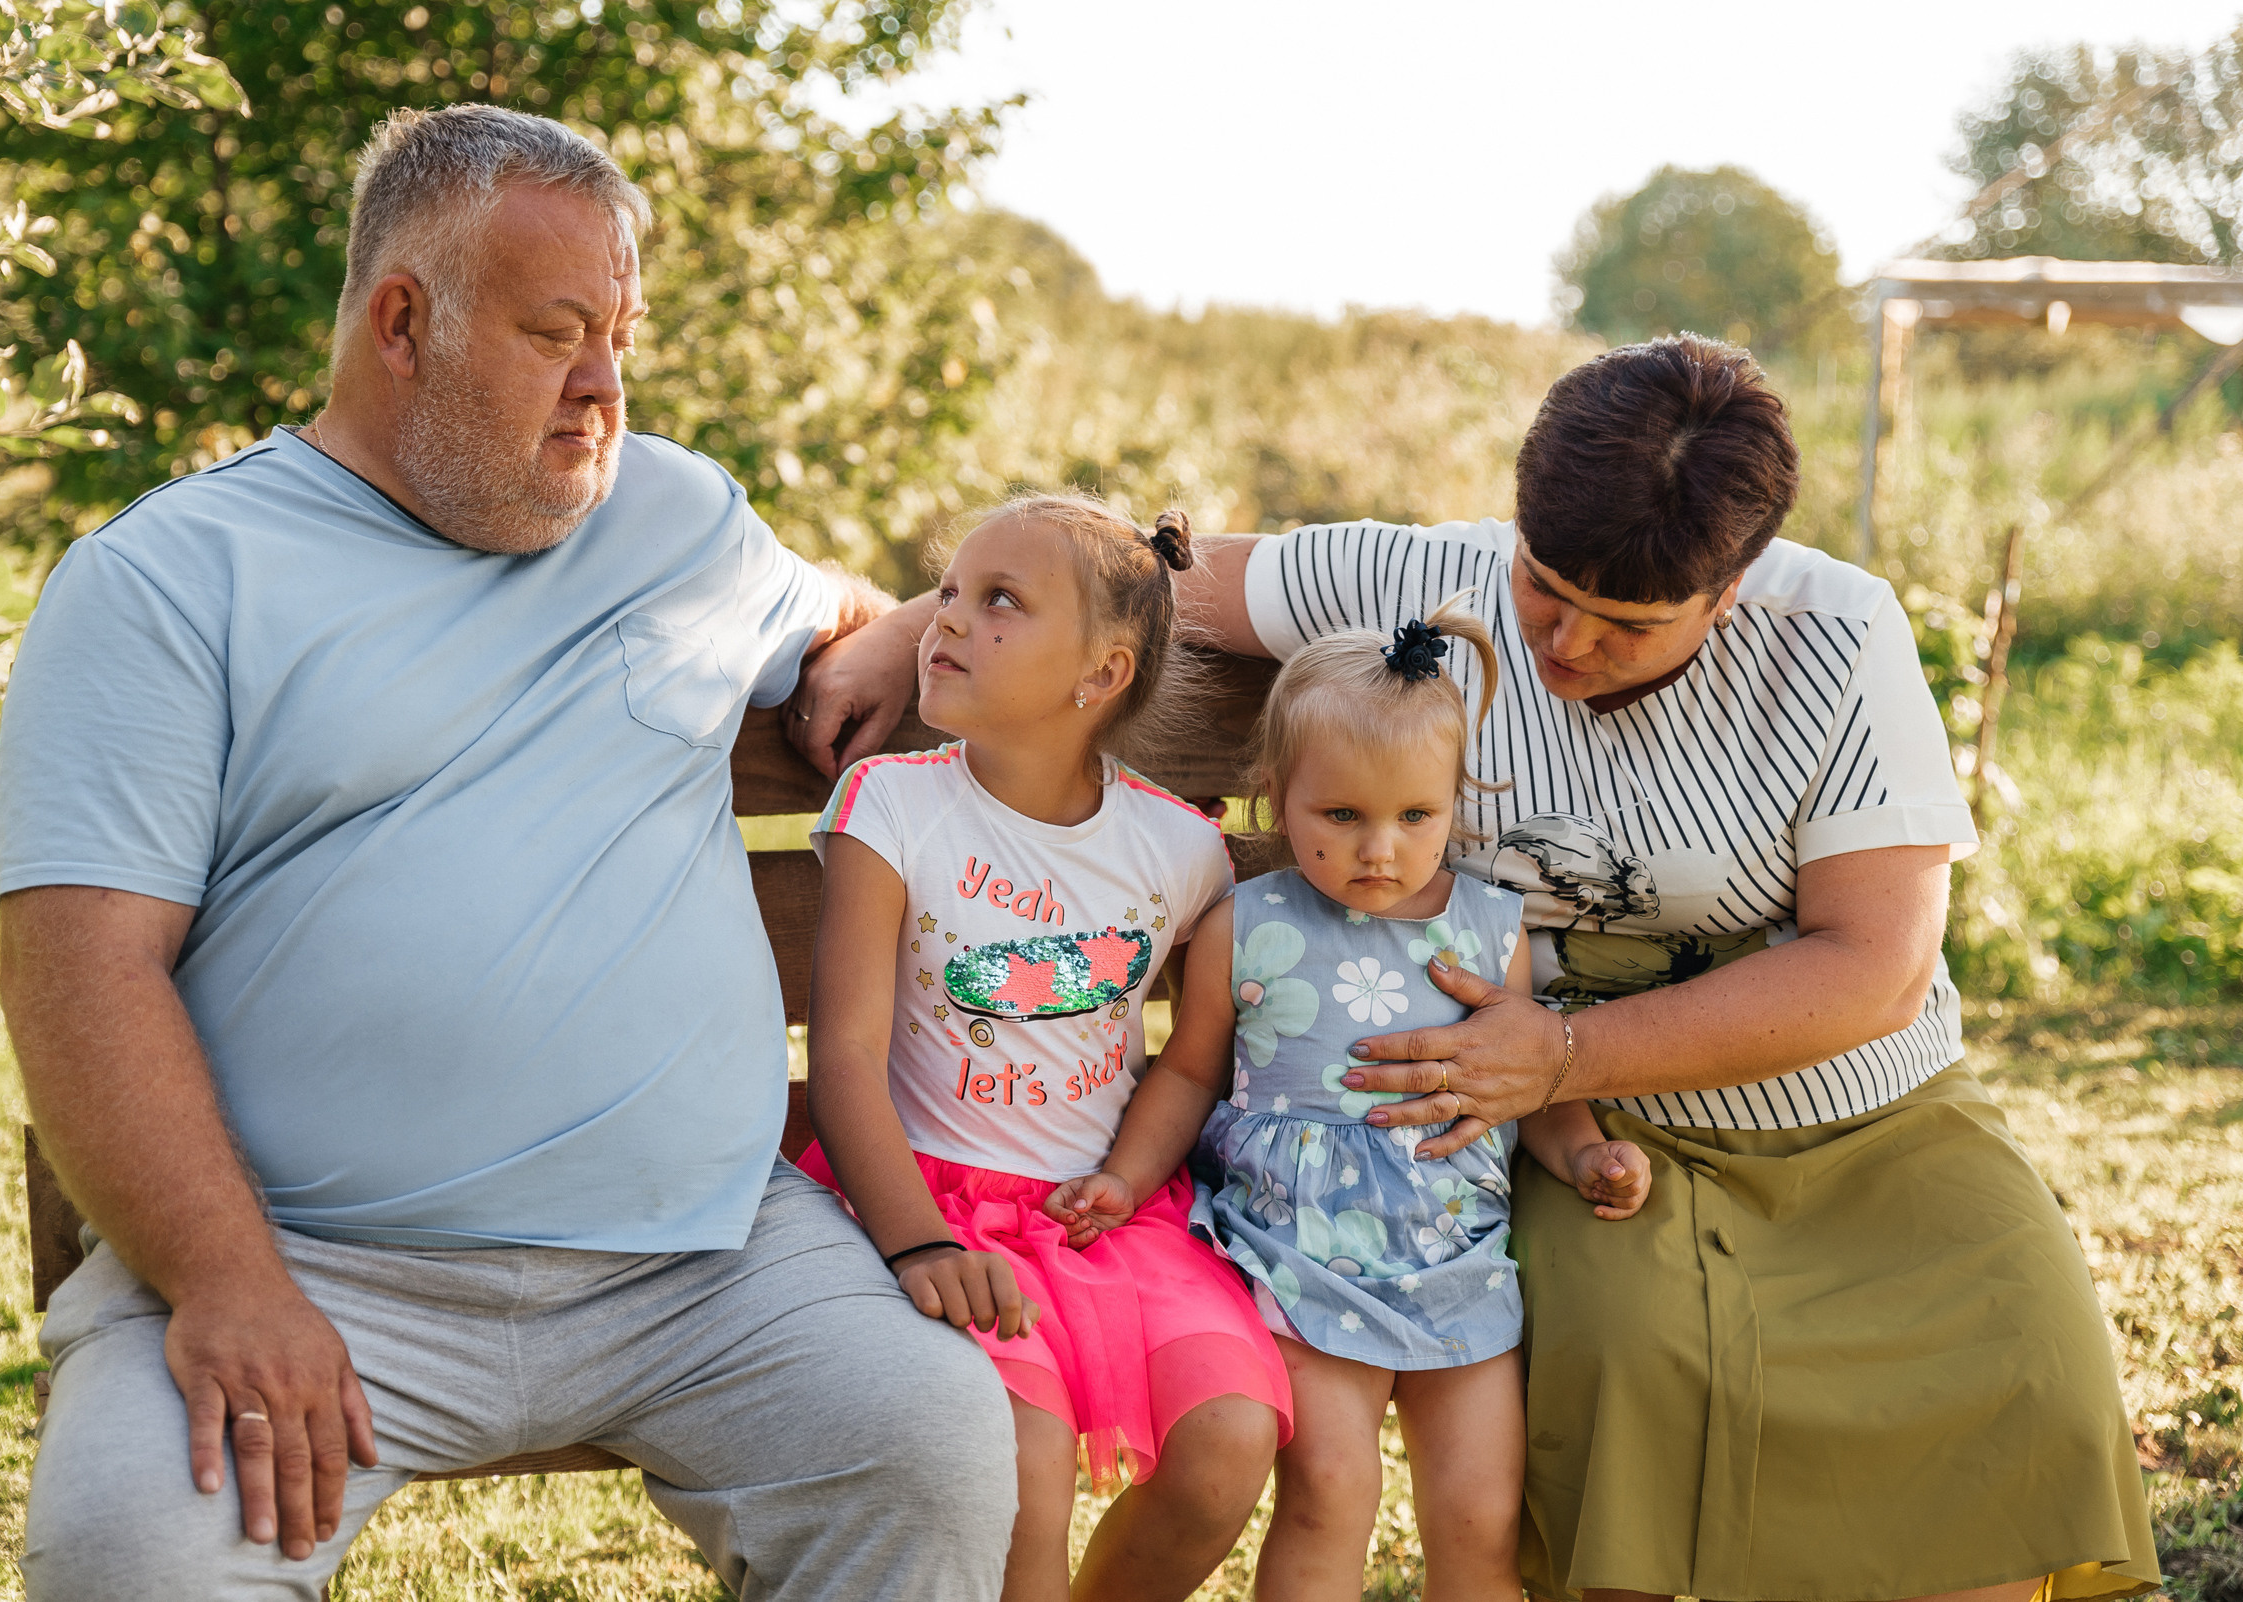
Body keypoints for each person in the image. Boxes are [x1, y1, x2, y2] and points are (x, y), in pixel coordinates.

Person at [790, 336, 2159, 1602]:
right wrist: (923, 622)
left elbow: (1873, 966)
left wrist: (1561, 1054)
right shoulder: (1422, 577)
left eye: (1624, 624)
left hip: (1851, 1108)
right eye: (1543, 592)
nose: (1563, 646)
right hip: (1591, 1140)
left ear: (1730, 588)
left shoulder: (1836, 640)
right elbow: (1140, 575)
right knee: (1628, 1362)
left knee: (2024, 1351)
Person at [0, 105, 1014, 1601]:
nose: (605, 384)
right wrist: (225, 1281)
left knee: (920, 1442)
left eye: (621, 333)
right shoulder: (164, 585)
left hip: (703, 1261)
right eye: (557, 333)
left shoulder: (675, 515)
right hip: (308, 1262)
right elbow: (79, 968)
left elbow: (836, 610)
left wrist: (903, 630)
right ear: (402, 322)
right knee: (131, 1558)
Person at [1057, 597, 1650, 1602]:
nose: (1381, 849)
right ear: (1276, 797)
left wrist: (1586, 1152)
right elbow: (1191, 1072)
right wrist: (1124, 1175)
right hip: (1301, 1260)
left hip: (1455, 1255)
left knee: (1478, 1510)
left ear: (1452, 805)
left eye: (1414, 817)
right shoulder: (1245, 925)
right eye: (1342, 817)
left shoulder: (1486, 930)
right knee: (1331, 1489)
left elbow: (1531, 1082)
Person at [801, 495, 1290, 1602]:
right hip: (929, 1199)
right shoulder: (892, 807)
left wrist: (1126, 1179)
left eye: (1000, 602)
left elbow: (1191, 1060)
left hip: (1106, 1217)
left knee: (1230, 1440)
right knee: (1018, 1467)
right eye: (950, 594)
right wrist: (919, 1244)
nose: (948, 622)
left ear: (1101, 674)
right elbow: (843, 1060)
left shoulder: (1179, 848)